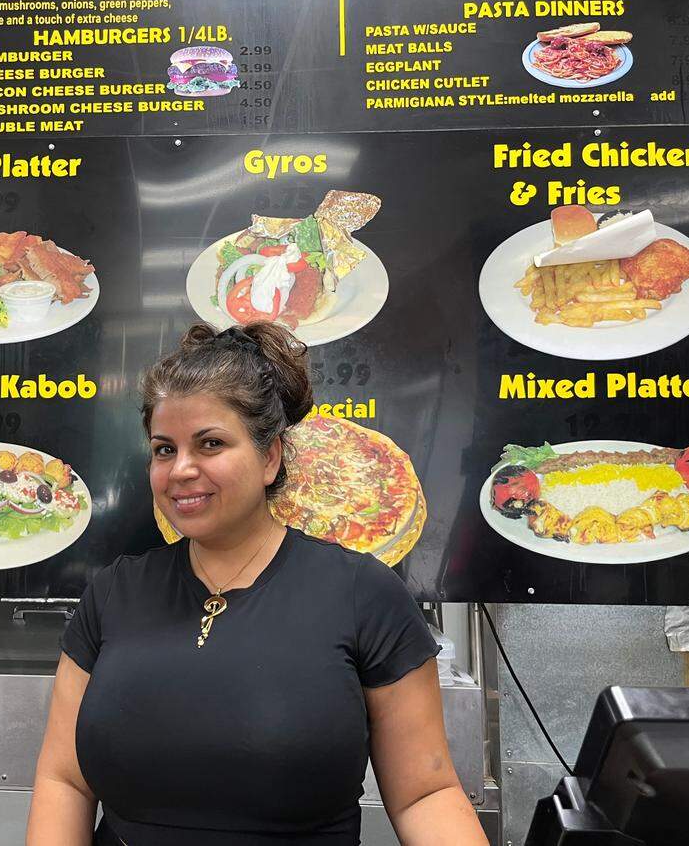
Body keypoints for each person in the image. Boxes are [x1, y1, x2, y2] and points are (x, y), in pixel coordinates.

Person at [27, 323, 487, 845]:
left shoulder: (365, 595)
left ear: (270, 458)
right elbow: (63, 780)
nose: (181, 469)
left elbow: (424, 794)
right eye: (163, 449)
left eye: (211, 443)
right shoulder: (112, 594)